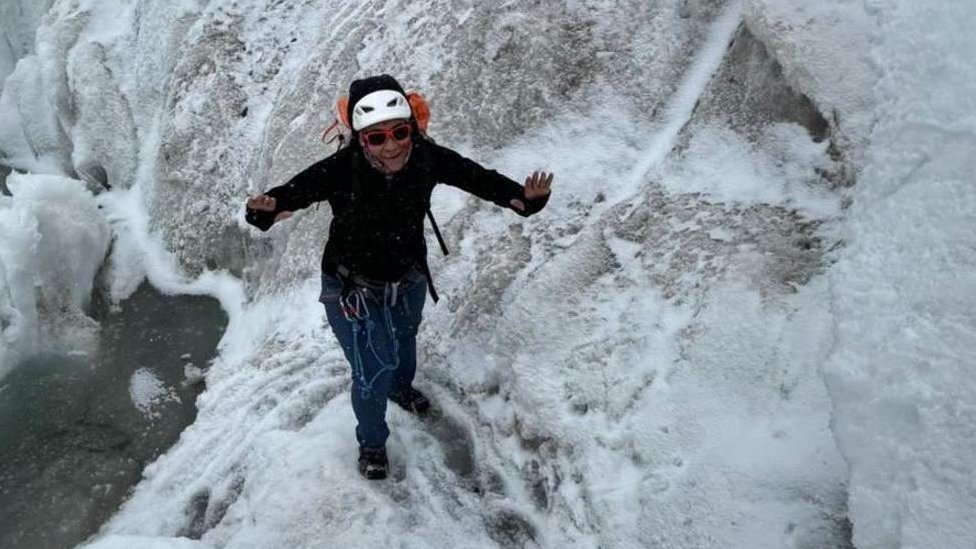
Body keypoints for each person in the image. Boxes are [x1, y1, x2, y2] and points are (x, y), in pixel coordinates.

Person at [244, 75, 552, 480]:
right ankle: (372, 443)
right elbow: (291, 195)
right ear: (360, 140)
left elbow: (478, 179)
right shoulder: (342, 169)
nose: (391, 146)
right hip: (350, 287)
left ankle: (400, 388)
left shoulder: (427, 158)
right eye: (376, 138)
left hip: (408, 276)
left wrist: (524, 200)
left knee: (406, 337)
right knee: (373, 369)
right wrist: (264, 211)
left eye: (399, 133)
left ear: (411, 129)